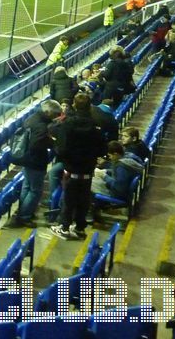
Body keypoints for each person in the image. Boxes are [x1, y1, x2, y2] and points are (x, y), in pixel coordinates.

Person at [50, 93, 106, 240]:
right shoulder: (96, 125)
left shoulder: (67, 124)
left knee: (68, 199)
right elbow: (102, 149)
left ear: (74, 105)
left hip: (71, 170)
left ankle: (64, 227)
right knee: (83, 199)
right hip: (87, 171)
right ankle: (80, 228)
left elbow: (61, 149)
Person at [10, 100, 62, 228]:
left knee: (26, 187)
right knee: (35, 190)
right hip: (35, 161)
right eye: (54, 114)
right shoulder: (41, 126)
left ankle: (23, 212)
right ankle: (25, 216)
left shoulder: (32, 118)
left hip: (27, 159)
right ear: (48, 112)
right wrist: (52, 143)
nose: (56, 117)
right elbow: (36, 144)